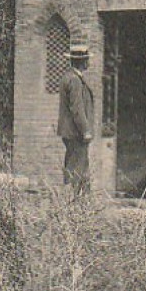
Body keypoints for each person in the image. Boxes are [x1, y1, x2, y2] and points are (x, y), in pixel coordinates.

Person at [57, 43, 95, 198]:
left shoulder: (70, 77)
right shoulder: (74, 80)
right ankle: (75, 202)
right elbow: (77, 109)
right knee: (79, 168)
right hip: (75, 133)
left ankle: (79, 202)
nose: (88, 62)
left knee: (76, 165)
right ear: (81, 62)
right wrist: (85, 130)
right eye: (87, 60)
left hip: (70, 132)